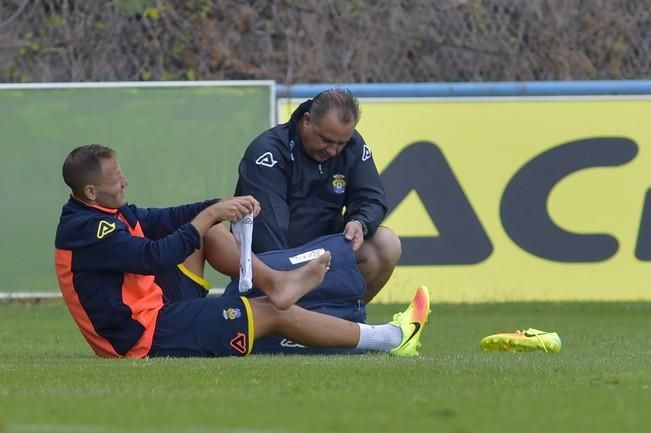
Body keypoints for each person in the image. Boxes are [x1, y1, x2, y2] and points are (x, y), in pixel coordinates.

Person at [54, 144, 430, 358]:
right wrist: (210, 215)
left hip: (156, 307)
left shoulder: (105, 209)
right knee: (271, 312)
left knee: (208, 233)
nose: (125, 181)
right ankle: (392, 339)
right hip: (139, 338)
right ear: (90, 192)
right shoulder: (89, 229)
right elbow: (154, 257)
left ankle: (278, 282)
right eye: (115, 178)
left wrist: (220, 204)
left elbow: (164, 218)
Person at [234, 88, 401, 304]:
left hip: (326, 251)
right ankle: (284, 326)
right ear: (306, 121)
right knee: (273, 264)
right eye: (326, 140)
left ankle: (342, 317)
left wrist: (360, 222)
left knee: (386, 244)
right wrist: (302, 271)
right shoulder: (268, 152)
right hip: (275, 261)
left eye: (341, 143)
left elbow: (371, 198)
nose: (333, 150)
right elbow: (268, 235)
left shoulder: (352, 145)